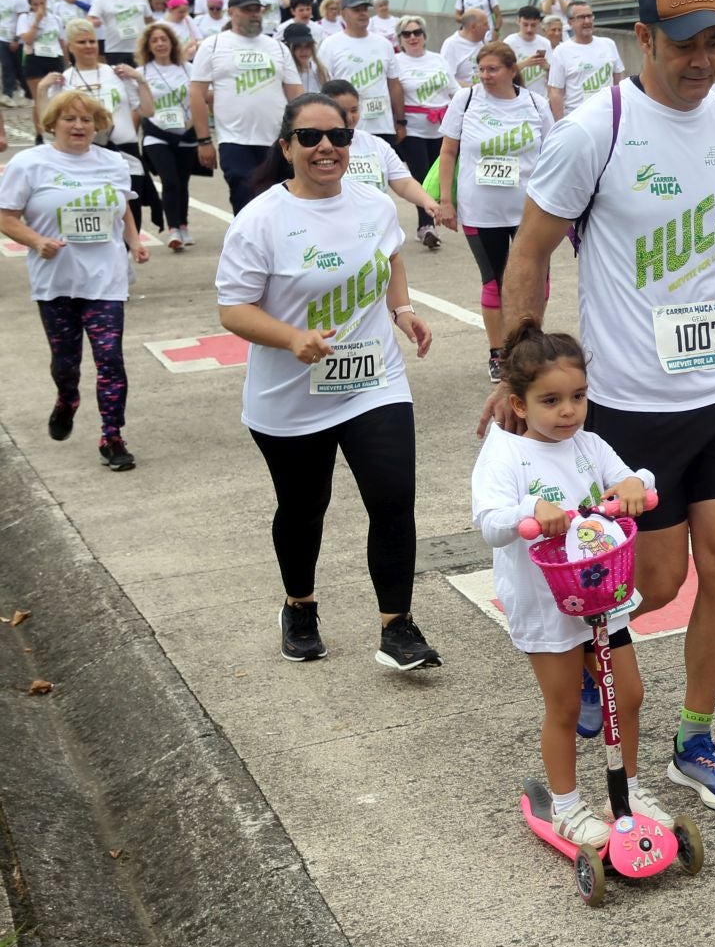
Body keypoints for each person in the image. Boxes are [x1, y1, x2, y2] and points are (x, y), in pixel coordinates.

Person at [482, 0, 715, 813]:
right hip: (633, 403)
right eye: (686, 44)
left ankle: (694, 736)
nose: (704, 60)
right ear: (645, 39)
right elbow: (528, 255)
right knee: (657, 581)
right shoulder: (595, 131)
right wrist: (517, 378)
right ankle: (598, 657)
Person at [214, 92, 441, 671]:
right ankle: (300, 605)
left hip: (373, 378)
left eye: (337, 138)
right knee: (303, 505)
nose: (325, 148)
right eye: (310, 137)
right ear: (286, 146)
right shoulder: (261, 219)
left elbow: (390, 259)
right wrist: (292, 338)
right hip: (291, 393)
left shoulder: (372, 205)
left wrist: (402, 310)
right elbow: (233, 309)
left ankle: (397, 626)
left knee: (393, 498)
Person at [473, 322, 669, 850]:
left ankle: (624, 790)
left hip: (602, 597)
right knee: (563, 707)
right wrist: (528, 512)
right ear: (518, 404)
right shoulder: (506, 455)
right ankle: (564, 804)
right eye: (551, 400)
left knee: (626, 695)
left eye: (578, 397)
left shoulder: (589, 445)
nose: (568, 411)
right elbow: (489, 520)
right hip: (547, 604)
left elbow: (636, 479)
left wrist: (633, 484)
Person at [0, 90, 150, 471]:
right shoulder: (29, 164)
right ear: (52, 124)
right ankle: (67, 398)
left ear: (97, 125)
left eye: (87, 120)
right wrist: (36, 241)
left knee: (110, 360)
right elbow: (7, 216)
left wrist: (134, 242)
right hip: (56, 280)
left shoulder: (114, 162)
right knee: (66, 363)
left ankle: (111, 436)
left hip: (105, 279)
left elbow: (123, 208)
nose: (79, 126)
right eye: (70, 119)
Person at [435, 42, 551, 381]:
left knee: (535, 277)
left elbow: (555, 153)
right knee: (495, 280)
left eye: (492, 69)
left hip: (529, 208)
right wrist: (446, 200)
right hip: (480, 209)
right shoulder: (466, 100)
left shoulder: (535, 103)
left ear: (512, 70)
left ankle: (530, 344)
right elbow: (448, 152)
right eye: (480, 69)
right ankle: (499, 354)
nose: (485, 76)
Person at [189, 0, 303, 213]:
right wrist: (203, 141)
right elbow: (196, 94)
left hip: (277, 140)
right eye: (247, 10)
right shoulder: (212, 45)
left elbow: (297, 95)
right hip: (235, 140)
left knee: (282, 202)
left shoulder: (277, 47)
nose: (254, 15)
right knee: (246, 201)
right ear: (231, 12)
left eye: (257, 10)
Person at [47, 20, 159, 229]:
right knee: (94, 216)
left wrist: (140, 80)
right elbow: (49, 122)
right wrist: (41, 90)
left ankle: (125, 259)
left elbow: (148, 111)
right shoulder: (65, 80)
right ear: (70, 46)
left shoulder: (116, 74)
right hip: (84, 156)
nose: (89, 46)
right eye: (82, 42)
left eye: (92, 41)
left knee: (130, 215)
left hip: (124, 155)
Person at [318, 78, 447, 230]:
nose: (349, 117)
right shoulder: (316, 147)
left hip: (376, 230)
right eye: (341, 111)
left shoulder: (376, 144)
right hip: (333, 229)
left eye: (354, 110)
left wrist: (427, 201)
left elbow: (404, 183)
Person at [391, 14, 457, 249]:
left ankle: (437, 215)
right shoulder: (396, 61)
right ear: (400, 38)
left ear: (425, 36)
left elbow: (454, 90)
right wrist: (398, 123)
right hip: (414, 127)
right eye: (407, 34)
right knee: (420, 177)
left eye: (417, 32)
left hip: (441, 126)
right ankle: (426, 226)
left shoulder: (438, 59)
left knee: (437, 177)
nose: (412, 37)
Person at [136, 22, 197, 251]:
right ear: (148, 46)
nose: (160, 44)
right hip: (156, 133)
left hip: (185, 130)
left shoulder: (187, 69)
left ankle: (183, 224)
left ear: (172, 43)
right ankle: (173, 230)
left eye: (164, 39)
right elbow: (137, 106)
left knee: (183, 182)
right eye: (155, 40)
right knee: (169, 181)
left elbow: (200, 97)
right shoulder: (142, 72)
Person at [316, 0, 400, 144]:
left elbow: (394, 84)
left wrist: (400, 121)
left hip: (382, 127)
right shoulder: (330, 45)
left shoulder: (384, 44)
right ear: (343, 14)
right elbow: (323, 85)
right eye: (356, 10)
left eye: (365, 10)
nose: (362, 14)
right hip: (346, 127)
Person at [543, 2, 625, 119]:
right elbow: (556, 92)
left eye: (589, 16)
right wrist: (559, 123)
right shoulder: (561, 51)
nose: (587, 21)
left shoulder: (608, 44)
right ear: (570, 22)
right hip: (577, 119)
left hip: (608, 116)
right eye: (581, 17)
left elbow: (619, 79)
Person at [87, 0, 150, 67]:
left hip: (139, 48)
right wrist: (94, 22)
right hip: (115, 49)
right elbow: (91, 17)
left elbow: (149, 19)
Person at [17, 0, 66, 111]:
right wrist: (36, 22)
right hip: (35, 58)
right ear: (30, 5)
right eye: (35, 4)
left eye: (42, 3)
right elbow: (28, 40)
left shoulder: (56, 19)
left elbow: (62, 41)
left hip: (55, 57)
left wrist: (66, 61)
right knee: (39, 99)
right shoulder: (25, 18)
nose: (39, 7)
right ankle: (40, 129)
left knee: (57, 98)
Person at [441, 7, 490, 85]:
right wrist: (471, 90)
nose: (488, 28)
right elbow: (446, 78)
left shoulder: (484, 42)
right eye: (485, 24)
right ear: (473, 26)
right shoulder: (451, 45)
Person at [505, 5, 549, 89]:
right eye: (525, 25)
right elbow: (504, 70)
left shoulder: (545, 43)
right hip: (518, 94)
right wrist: (526, 63)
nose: (529, 29)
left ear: (538, 23)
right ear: (518, 21)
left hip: (541, 96)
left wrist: (547, 66)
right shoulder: (509, 42)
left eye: (533, 25)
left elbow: (554, 73)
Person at [0, 0, 27, 106]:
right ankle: (7, 94)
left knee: (19, 68)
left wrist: (16, 39)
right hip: (2, 37)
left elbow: (22, 19)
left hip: (16, 39)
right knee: (6, 66)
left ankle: (28, 93)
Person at [283, 23, 326, 93]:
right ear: (288, 47)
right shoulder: (284, 73)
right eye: (297, 46)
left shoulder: (320, 70)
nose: (304, 51)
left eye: (307, 46)